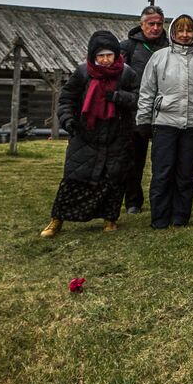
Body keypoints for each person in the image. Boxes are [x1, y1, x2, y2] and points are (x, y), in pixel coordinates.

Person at [40, 31, 140, 237]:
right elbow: (67, 99)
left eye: (109, 55)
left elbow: (138, 98)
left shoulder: (127, 73)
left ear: (116, 55)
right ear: (93, 56)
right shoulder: (83, 72)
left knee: (112, 179)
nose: (105, 60)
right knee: (74, 177)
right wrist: (68, 120)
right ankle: (57, 219)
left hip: (117, 134)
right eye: (100, 56)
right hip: (86, 133)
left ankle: (110, 219)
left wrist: (117, 97)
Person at [136, 14, 193, 229]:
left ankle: (181, 216)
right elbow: (147, 91)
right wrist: (143, 120)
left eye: (189, 31)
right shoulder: (159, 57)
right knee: (162, 172)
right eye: (180, 31)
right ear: (173, 32)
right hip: (164, 122)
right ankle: (159, 218)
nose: (185, 35)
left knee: (186, 173)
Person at [119, 5, 168, 214]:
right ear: (142, 25)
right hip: (135, 112)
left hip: (165, 111)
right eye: (151, 24)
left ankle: (162, 200)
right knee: (134, 159)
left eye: (159, 24)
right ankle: (133, 201)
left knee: (163, 160)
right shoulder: (128, 47)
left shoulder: (170, 45)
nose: (155, 28)